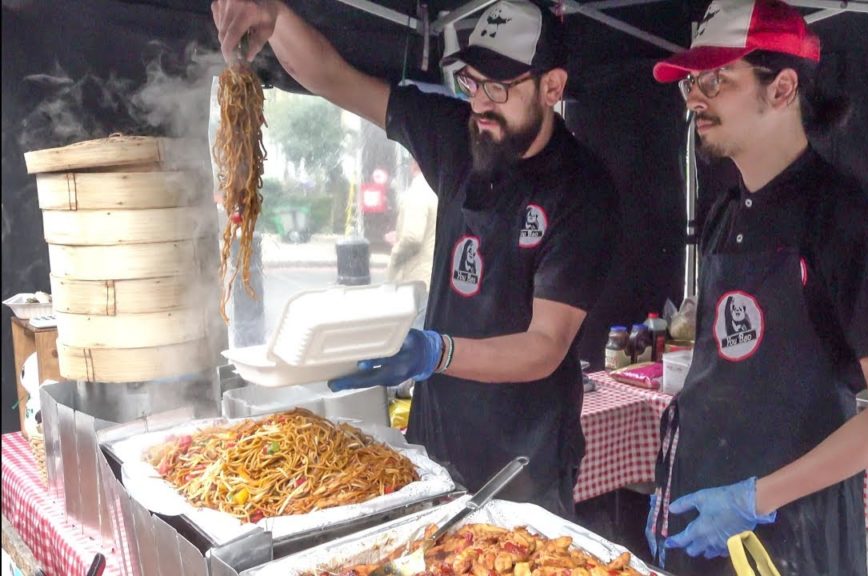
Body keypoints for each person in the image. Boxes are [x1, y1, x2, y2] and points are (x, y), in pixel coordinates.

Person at [212, 0, 618, 517]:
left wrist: (435, 353)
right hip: (433, 448)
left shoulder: (583, 190)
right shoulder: (458, 136)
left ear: (553, 88)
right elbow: (333, 77)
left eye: (499, 87)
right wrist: (273, 14)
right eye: (472, 83)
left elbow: (545, 346)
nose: (480, 105)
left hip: (524, 464)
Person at [645, 1, 868, 574]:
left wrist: (754, 499)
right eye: (693, 82)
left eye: (718, 78)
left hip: (793, 532)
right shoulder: (724, 212)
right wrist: (673, 482)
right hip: (701, 510)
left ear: (782, 87)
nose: (696, 97)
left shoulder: (849, 216)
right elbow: (719, 369)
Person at [386, 160, 438, 328]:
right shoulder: (437, 190)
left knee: (413, 335)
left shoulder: (417, 193)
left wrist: (395, 254)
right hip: (433, 275)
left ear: (414, 165)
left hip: (417, 277)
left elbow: (412, 238)